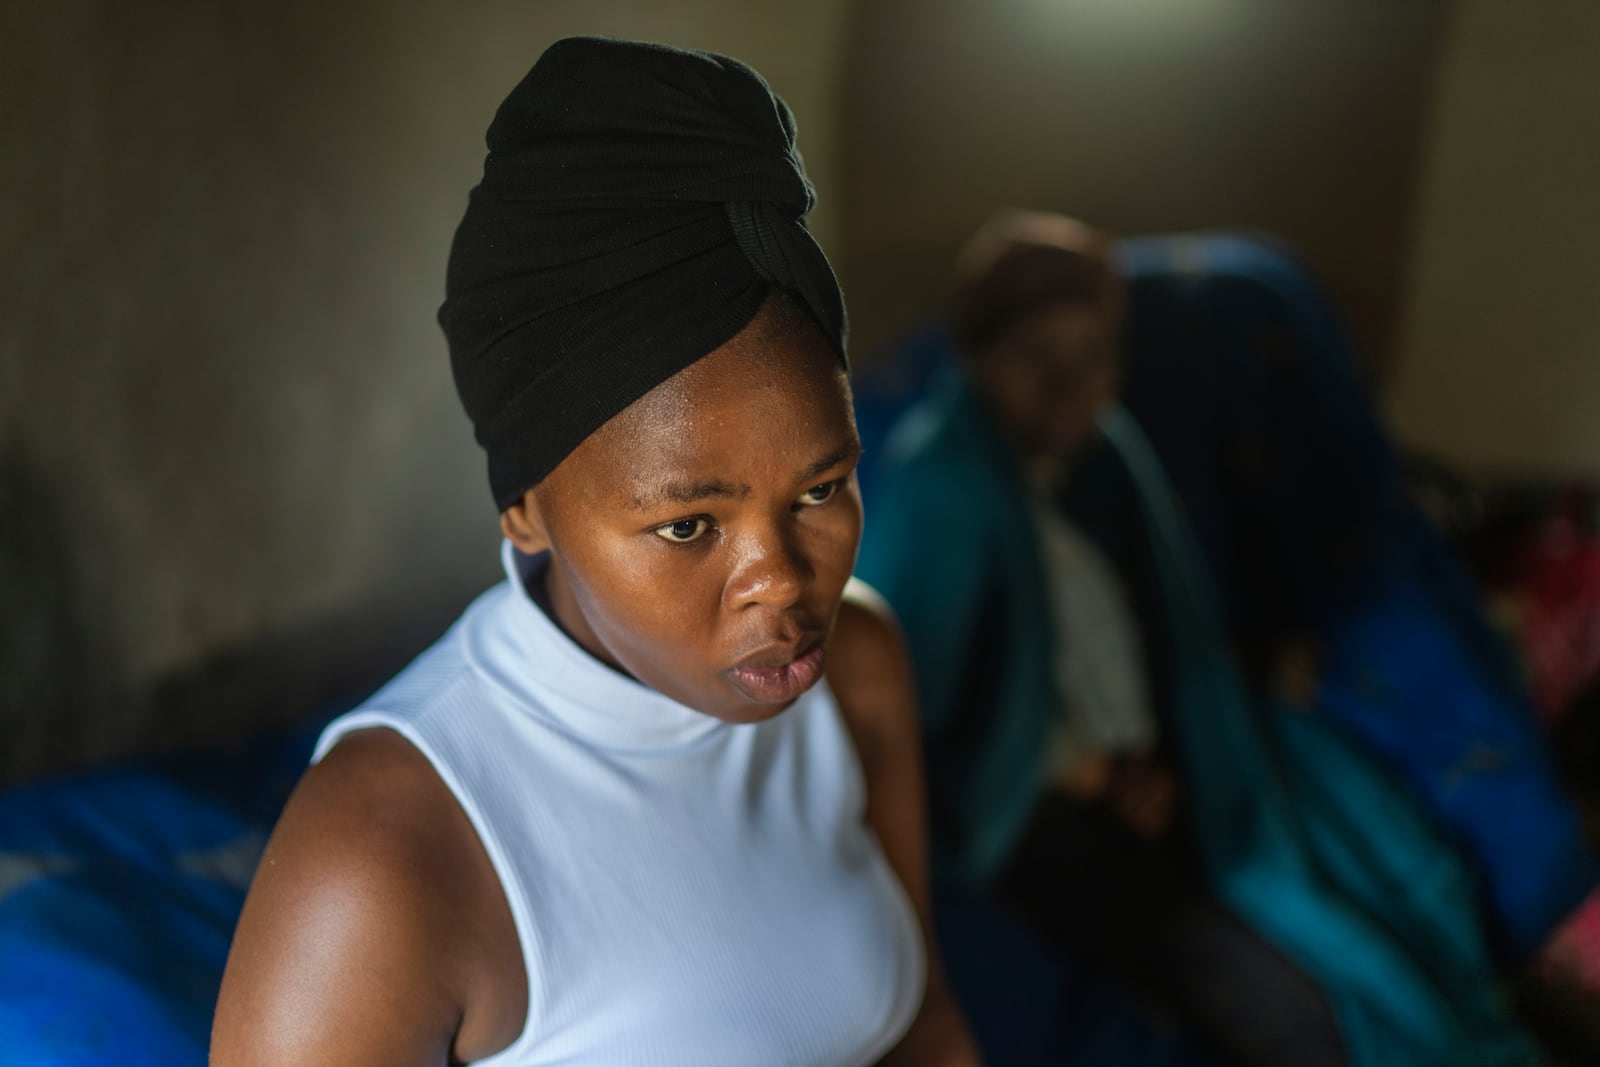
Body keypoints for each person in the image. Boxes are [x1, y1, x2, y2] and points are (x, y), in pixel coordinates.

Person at [211, 37, 978, 1066]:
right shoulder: (394, 850)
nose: (784, 584)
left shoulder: (858, 673)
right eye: (687, 524)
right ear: (526, 511)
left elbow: (920, 1025)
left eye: (821, 489)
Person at [855, 211, 1348, 1067]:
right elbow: (908, 726)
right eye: (1034, 360)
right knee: (1281, 1015)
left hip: (1132, 791)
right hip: (1023, 824)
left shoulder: (1104, 463)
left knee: (1348, 897)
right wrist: (1082, 771)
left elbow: (1156, 638)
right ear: (975, 359)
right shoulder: (944, 490)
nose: (1070, 388)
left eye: (1093, 358)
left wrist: (1154, 757)